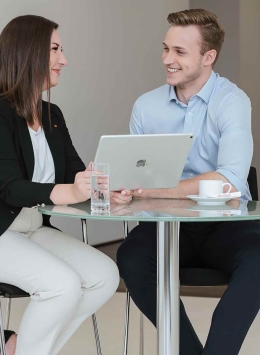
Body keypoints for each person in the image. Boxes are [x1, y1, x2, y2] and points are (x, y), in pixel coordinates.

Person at [0, 15, 132, 355]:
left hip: (31, 228)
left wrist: (103, 186)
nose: (64, 59)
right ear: (28, 53)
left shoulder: (51, 114)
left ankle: (19, 350)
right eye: (55, 49)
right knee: (63, 285)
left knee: (104, 275)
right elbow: (10, 187)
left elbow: (73, 171)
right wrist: (72, 191)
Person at [117, 8, 260, 355]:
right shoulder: (146, 106)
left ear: (208, 57)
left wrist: (160, 189)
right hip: (165, 225)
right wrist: (122, 186)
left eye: (180, 52)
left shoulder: (232, 101)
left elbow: (229, 179)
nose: (168, 59)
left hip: (223, 224)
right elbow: (134, 177)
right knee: (131, 257)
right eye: (166, 49)